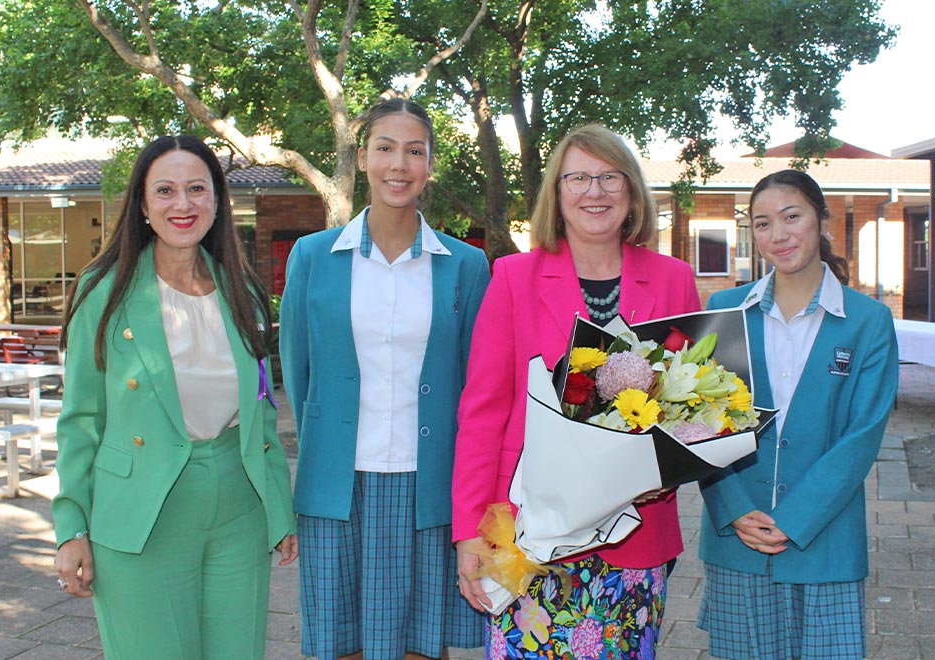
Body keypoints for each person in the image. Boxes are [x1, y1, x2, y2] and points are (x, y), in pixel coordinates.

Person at [452, 124, 700, 657]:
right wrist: (470, 531)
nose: (595, 191)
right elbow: (482, 412)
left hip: (636, 533)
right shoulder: (513, 277)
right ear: (557, 193)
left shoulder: (674, 278)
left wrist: (670, 470)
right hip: (530, 534)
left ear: (631, 192)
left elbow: (692, 404)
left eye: (610, 177)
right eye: (580, 178)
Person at [51, 135, 298, 660]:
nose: (182, 205)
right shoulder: (104, 290)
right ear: (142, 204)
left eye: (196, 189)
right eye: (165, 191)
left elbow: (261, 406)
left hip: (238, 508)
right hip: (142, 511)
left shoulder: (244, 290)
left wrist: (279, 509)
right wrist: (71, 526)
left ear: (216, 200)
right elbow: (81, 420)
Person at [279, 97, 490, 660]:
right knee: (340, 643)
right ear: (363, 156)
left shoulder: (466, 266)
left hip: (430, 485)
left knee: (424, 645)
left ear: (429, 165)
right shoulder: (313, 256)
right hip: (336, 484)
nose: (399, 164)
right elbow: (297, 374)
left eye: (414, 151)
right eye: (385, 148)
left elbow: (479, 387)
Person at [696, 169, 898, 660]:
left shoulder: (868, 321)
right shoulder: (725, 310)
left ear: (821, 220)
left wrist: (794, 518)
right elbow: (698, 422)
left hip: (825, 540)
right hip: (736, 538)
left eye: (792, 216)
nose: (779, 235)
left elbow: (862, 435)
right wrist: (735, 508)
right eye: (762, 224)